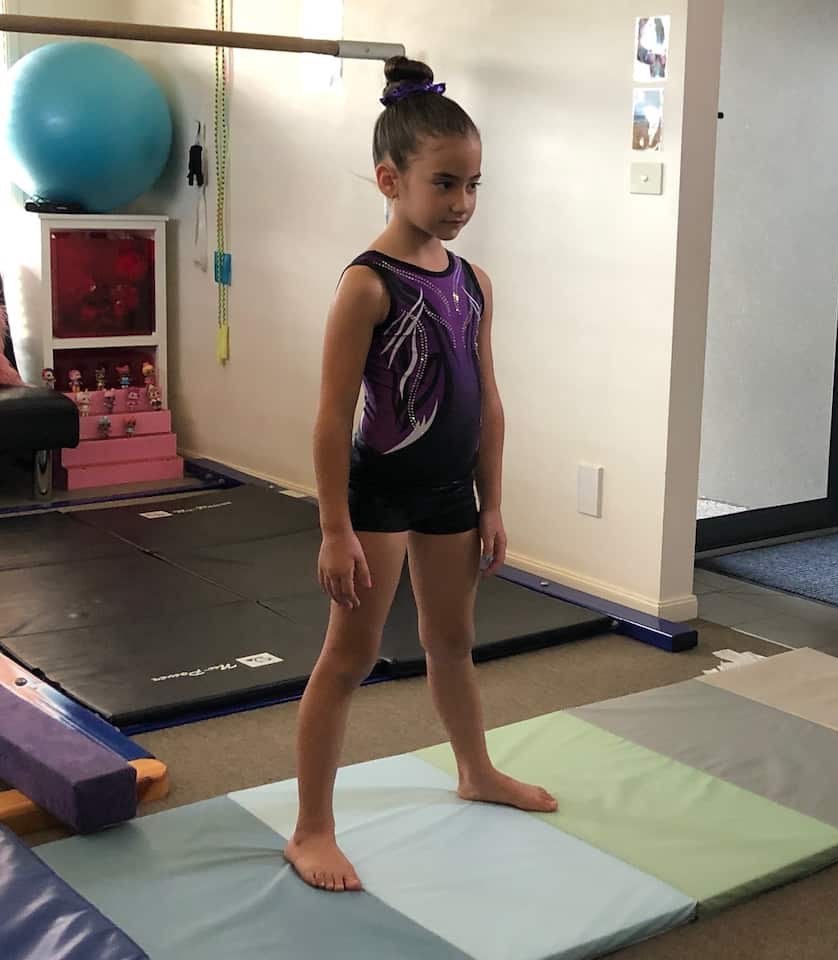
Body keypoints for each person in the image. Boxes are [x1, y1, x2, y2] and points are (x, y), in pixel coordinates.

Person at [285, 56, 558, 894]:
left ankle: (475, 770)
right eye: (446, 184)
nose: (463, 203)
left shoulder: (472, 281)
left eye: (475, 185)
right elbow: (333, 417)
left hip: (451, 494)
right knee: (349, 658)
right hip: (378, 495)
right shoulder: (367, 285)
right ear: (389, 179)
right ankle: (312, 829)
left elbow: (490, 402)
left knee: (452, 642)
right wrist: (334, 526)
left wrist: (495, 503)